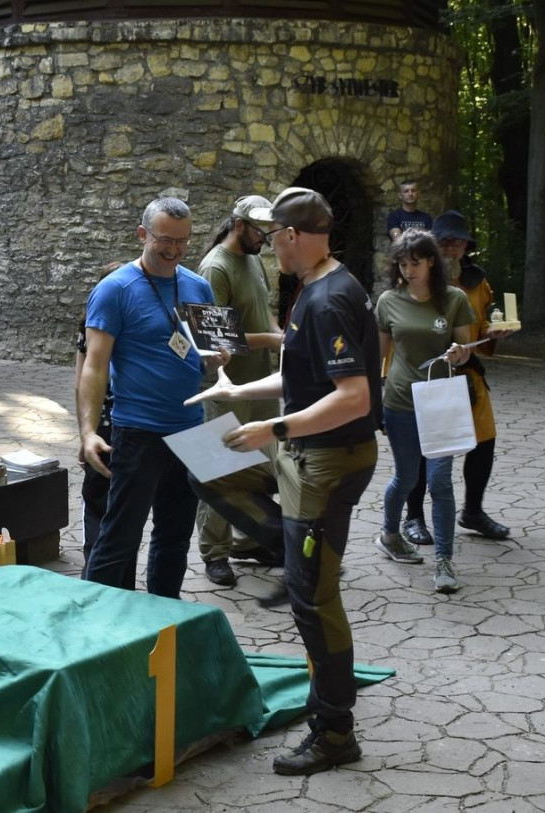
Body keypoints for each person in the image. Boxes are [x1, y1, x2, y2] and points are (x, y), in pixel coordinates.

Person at [187, 187, 382, 775]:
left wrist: (271, 429)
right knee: (205, 463)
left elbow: (353, 398)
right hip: (308, 452)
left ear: (293, 236)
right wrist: (237, 392)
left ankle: (334, 731)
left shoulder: (327, 300)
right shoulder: (320, 289)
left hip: (321, 462)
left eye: (275, 240)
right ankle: (280, 542)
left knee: (314, 601)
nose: (272, 251)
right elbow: (305, 377)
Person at [78, 197, 226, 599]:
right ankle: (96, 627)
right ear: (142, 234)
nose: (175, 250)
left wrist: (217, 359)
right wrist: (88, 431)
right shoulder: (115, 290)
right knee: (119, 538)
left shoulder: (198, 287)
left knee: (175, 537)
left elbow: (208, 361)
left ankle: (164, 618)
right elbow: (93, 366)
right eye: (165, 240)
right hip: (137, 432)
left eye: (183, 241)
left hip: (189, 431)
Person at [401, 211, 514, 545]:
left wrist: (495, 332)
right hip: (427, 376)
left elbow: (482, 328)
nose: (451, 246)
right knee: (423, 450)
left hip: (468, 377)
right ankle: (414, 518)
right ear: (433, 245)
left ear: (467, 246)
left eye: (458, 240)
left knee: (484, 442)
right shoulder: (415, 281)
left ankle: (473, 512)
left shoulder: (479, 283)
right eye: (444, 240)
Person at [374, 229, 474, 594]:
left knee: (440, 482)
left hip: (441, 402)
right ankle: (389, 533)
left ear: (431, 260)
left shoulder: (454, 299)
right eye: (402, 263)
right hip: (400, 400)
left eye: (414, 262)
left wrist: (461, 353)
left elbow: (466, 348)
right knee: (406, 478)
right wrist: (372, 403)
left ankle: (444, 561)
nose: (408, 270)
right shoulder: (388, 300)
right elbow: (380, 356)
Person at [193, 195, 284, 586]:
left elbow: (264, 311)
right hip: (227, 387)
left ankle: (250, 540)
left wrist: (280, 336)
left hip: (260, 382)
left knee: (259, 465)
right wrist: (278, 340)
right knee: (220, 466)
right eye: (260, 229)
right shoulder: (215, 268)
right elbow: (216, 338)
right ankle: (215, 552)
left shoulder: (255, 259)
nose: (266, 237)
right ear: (239, 225)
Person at [74, 262, 137, 588]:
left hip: (106, 426)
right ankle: (112, 583)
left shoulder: (91, 322)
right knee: (116, 510)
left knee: (103, 508)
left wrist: (84, 433)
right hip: (118, 426)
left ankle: (98, 579)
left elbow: (78, 382)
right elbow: (83, 378)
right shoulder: (132, 319)